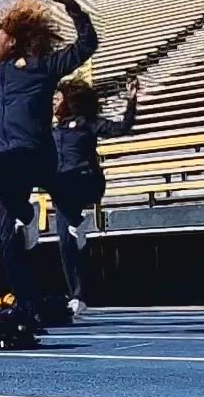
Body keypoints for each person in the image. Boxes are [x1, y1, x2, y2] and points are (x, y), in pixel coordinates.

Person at [0, 0, 99, 315]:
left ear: (12, 43)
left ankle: (30, 215)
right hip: (9, 169)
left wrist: (72, 7)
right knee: (7, 244)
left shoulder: (40, 68)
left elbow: (87, 44)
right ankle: (29, 305)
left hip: (33, 156)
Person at [47, 76, 138, 320]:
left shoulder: (88, 123)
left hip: (86, 182)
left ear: (70, 100)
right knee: (66, 245)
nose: (53, 102)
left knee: (63, 185)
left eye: (57, 98)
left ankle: (77, 223)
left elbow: (122, 128)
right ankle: (77, 296)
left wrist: (131, 101)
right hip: (63, 192)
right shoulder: (53, 131)